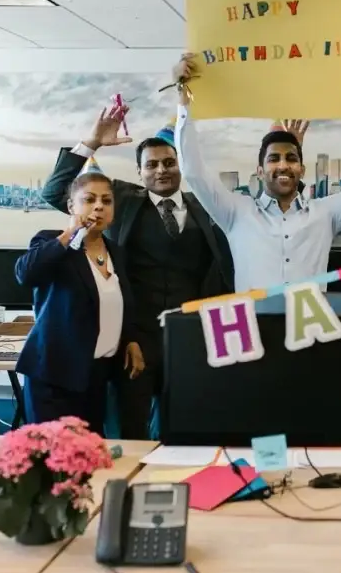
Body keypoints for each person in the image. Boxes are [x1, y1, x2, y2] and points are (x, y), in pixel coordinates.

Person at [41, 107, 233, 439]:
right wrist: (92, 142)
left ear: (181, 166)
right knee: (129, 431)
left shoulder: (208, 206)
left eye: (169, 163)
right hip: (134, 339)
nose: (161, 170)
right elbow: (54, 191)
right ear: (139, 172)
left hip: (191, 338)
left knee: (187, 430)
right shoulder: (120, 201)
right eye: (152, 165)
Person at [171, 52, 341, 291]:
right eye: (274, 159)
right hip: (255, 316)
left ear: (302, 170)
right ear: (260, 171)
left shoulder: (325, 214)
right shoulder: (236, 213)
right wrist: (183, 98)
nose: (283, 165)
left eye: (291, 158)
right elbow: (193, 172)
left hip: (310, 317)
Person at [15, 172, 145, 437]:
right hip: (55, 376)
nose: (99, 206)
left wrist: (131, 339)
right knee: (52, 455)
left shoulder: (116, 251)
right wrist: (70, 233)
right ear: (71, 206)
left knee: (89, 453)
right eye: (89, 199)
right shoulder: (51, 242)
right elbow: (25, 274)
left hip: (96, 375)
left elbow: (123, 302)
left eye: (106, 201)